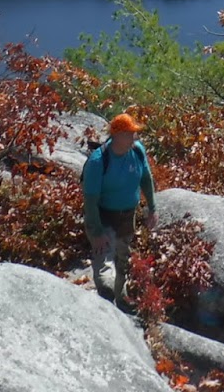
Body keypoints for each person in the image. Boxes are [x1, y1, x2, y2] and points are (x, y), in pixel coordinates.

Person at [81, 112, 157, 306]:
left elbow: (146, 180)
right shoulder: (98, 161)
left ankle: (121, 301)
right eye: (131, 133)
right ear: (118, 135)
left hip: (126, 217)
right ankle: (105, 304)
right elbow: (90, 202)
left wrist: (152, 208)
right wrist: (96, 232)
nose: (135, 137)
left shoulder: (137, 151)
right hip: (102, 216)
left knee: (123, 260)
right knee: (105, 264)